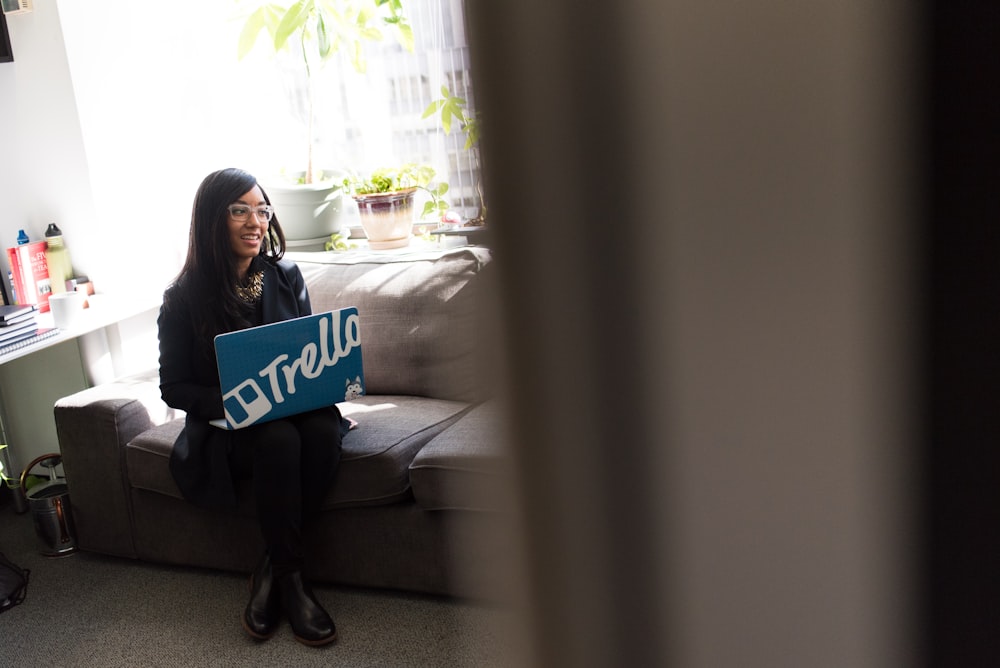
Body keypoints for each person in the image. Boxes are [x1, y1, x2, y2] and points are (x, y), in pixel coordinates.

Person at [157, 167, 348, 646]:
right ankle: (294, 579)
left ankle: (271, 567)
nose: (255, 221)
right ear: (211, 220)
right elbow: (173, 387)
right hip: (230, 429)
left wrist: (326, 377)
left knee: (323, 432)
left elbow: (305, 348)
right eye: (239, 210)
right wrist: (235, 399)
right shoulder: (181, 299)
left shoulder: (285, 277)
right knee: (279, 439)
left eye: (262, 210)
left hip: (295, 411)